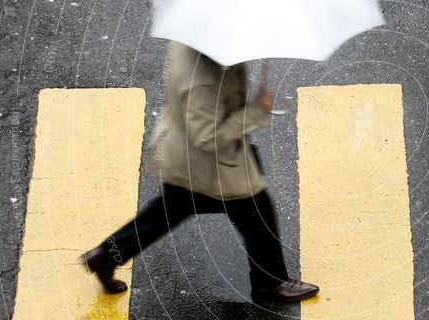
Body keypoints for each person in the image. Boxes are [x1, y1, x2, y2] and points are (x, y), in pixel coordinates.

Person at [81, 40, 320, 303]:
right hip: (206, 164)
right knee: (255, 209)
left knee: (168, 212)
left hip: (183, 154)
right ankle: (270, 282)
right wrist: (255, 112)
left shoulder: (192, 43)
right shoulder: (204, 80)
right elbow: (207, 135)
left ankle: (107, 255)